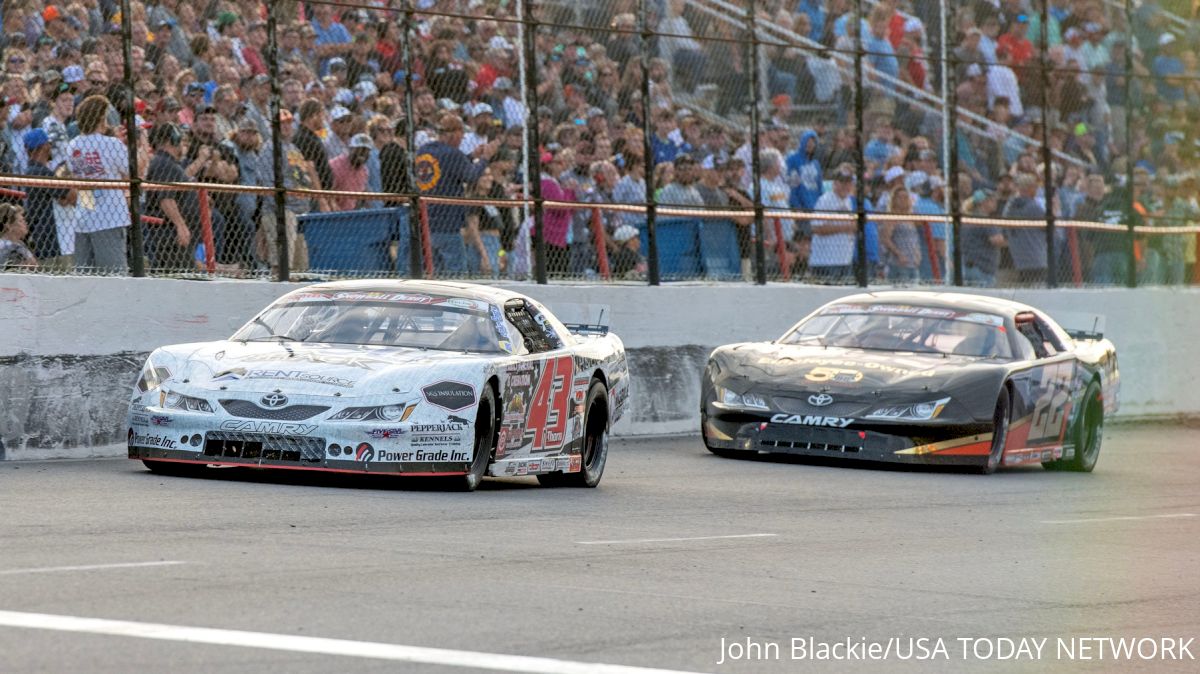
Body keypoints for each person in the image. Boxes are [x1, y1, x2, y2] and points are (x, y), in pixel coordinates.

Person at [415, 113, 496, 274]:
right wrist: (485, 159)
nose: (462, 138)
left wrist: (472, 156)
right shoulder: (452, 153)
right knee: (456, 273)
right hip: (447, 222)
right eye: (461, 134)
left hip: (426, 220)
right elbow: (471, 176)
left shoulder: (424, 150)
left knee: (433, 272)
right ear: (452, 134)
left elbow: (448, 167)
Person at [65, 95, 129, 273]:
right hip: (110, 217)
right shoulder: (112, 144)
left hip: (84, 214)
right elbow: (133, 173)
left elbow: (79, 179)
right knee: (114, 275)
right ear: (102, 118)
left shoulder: (73, 145)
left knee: (85, 276)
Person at [143, 123, 196, 271]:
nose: (183, 145)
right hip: (169, 235)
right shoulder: (165, 164)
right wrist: (180, 225)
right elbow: (166, 199)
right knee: (180, 275)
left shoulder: (165, 162)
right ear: (172, 140)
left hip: (170, 235)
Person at [22, 128, 74, 269]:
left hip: (45, 240)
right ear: (44, 146)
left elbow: (63, 199)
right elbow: (71, 197)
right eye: (48, 144)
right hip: (53, 242)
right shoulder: (40, 172)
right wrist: (75, 177)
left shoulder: (32, 170)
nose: (50, 147)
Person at [809, 164, 858, 283]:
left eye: (848, 183)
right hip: (825, 261)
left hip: (845, 259)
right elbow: (816, 228)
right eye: (842, 182)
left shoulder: (849, 201)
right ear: (835, 183)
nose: (845, 186)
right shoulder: (825, 200)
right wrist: (844, 227)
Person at [1002, 173, 1049, 284]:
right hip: (1036, 258)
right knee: (1037, 289)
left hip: (1017, 258)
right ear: (1030, 188)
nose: (1037, 190)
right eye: (1035, 187)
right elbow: (1049, 227)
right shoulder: (1033, 206)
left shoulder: (1010, 206)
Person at [961, 190, 1006, 287]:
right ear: (984, 202)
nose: (995, 203)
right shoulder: (984, 219)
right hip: (981, 270)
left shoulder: (969, 217)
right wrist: (1008, 240)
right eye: (992, 200)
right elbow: (996, 240)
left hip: (969, 266)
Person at [879, 186, 921, 284]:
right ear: (894, 200)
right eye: (900, 197)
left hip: (913, 263)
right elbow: (885, 239)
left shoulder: (910, 218)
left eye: (906, 197)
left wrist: (918, 254)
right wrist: (899, 254)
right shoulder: (892, 218)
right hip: (899, 263)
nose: (903, 200)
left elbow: (915, 239)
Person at [329, 134, 373, 211]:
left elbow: (361, 195)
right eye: (359, 149)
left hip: (350, 212)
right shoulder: (335, 165)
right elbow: (328, 191)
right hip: (332, 211)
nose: (362, 153)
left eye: (366, 151)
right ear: (351, 149)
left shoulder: (364, 171)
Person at [0, 204, 37, 269]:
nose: (25, 223)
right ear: (9, 225)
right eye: (21, 221)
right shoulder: (7, 245)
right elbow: (33, 264)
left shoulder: (18, 243)